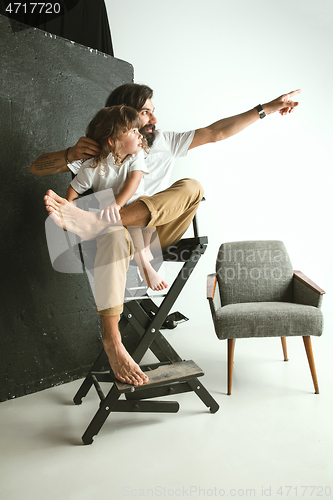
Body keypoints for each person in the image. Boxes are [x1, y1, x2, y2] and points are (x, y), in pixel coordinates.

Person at [31, 84, 301, 386]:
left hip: (156, 231)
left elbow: (217, 132)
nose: (153, 119)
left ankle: (99, 221)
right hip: (116, 241)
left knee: (192, 187)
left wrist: (268, 107)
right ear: (124, 119)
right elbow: (37, 167)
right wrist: (69, 154)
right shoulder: (99, 149)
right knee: (112, 235)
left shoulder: (163, 141)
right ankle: (113, 341)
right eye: (146, 112)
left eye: (152, 111)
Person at [65, 104, 167, 292]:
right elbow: (73, 190)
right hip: (114, 219)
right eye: (133, 131)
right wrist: (72, 211)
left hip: (137, 208)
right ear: (113, 141)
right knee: (129, 218)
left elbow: (134, 180)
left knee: (145, 204)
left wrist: (117, 203)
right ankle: (144, 264)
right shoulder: (92, 168)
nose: (140, 135)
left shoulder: (135, 155)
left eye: (139, 130)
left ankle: (142, 252)